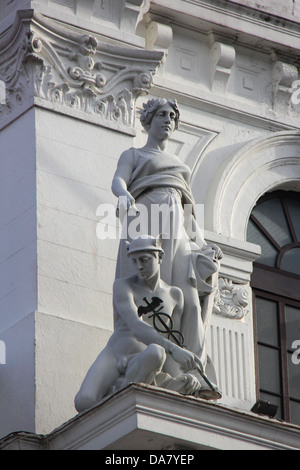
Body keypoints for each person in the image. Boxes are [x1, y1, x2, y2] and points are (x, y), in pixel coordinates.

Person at [111, 98, 222, 378]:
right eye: (162, 114)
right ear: (148, 119)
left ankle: (191, 368)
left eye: (172, 116)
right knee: (148, 292)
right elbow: (118, 181)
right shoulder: (134, 154)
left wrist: (203, 243)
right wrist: (124, 195)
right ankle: (148, 358)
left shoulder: (179, 165)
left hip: (177, 229)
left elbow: (189, 214)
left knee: (189, 297)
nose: (168, 120)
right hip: (146, 219)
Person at [75, 236, 210, 413]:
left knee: (156, 351)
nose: (139, 266)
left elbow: (170, 340)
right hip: (116, 352)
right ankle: (123, 388)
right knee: (84, 402)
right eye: (134, 261)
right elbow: (135, 326)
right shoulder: (123, 286)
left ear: (159, 258)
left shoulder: (175, 295)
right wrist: (174, 350)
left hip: (146, 359)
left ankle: (124, 390)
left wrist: (183, 376)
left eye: (144, 260)